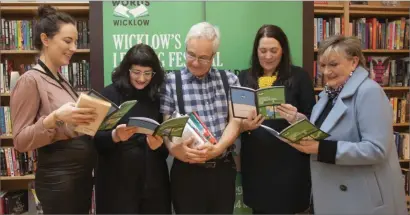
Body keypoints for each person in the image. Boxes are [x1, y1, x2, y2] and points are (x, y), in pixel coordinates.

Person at [287, 35, 407, 214]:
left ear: (354, 62)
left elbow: (377, 149)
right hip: (336, 194)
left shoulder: (369, 92)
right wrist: (297, 119)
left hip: (362, 199)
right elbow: (326, 131)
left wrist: (321, 149)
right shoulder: (329, 93)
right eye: (323, 65)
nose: (326, 71)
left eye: (333, 64)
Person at [160, 22, 257, 214]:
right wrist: (176, 149)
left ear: (214, 56)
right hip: (187, 173)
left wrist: (218, 148)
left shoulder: (229, 80)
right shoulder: (170, 82)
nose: (195, 62)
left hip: (222, 171)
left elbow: (235, 121)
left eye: (203, 58)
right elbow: (167, 127)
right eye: (191, 55)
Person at [10, 5, 97, 214]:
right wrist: (55, 118)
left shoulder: (63, 80)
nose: (74, 47)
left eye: (76, 41)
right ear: (46, 39)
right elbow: (20, 141)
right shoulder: (30, 80)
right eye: (68, 41)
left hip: (80, 177)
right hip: (58, 180)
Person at [238, 24, 316, 214]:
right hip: (255, 162)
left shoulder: (299, 77)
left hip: (289, 163)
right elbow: (234, 118)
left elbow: (313, 120)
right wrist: (243, 124)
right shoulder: (244, 77)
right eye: (263, 50)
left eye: (274, 50)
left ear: (283, 51)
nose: (268, 56)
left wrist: (296, 117)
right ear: (256, 51)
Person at [93, 44, 171, 214]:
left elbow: (166, 149)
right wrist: (115, 135)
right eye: (136, 72)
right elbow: (94, 140)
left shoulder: (158, 97)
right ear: (127, 70)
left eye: (147, 73)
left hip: (153, 185)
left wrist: (159, 145)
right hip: (117, 186)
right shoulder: (109, 94)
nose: (142, 78)